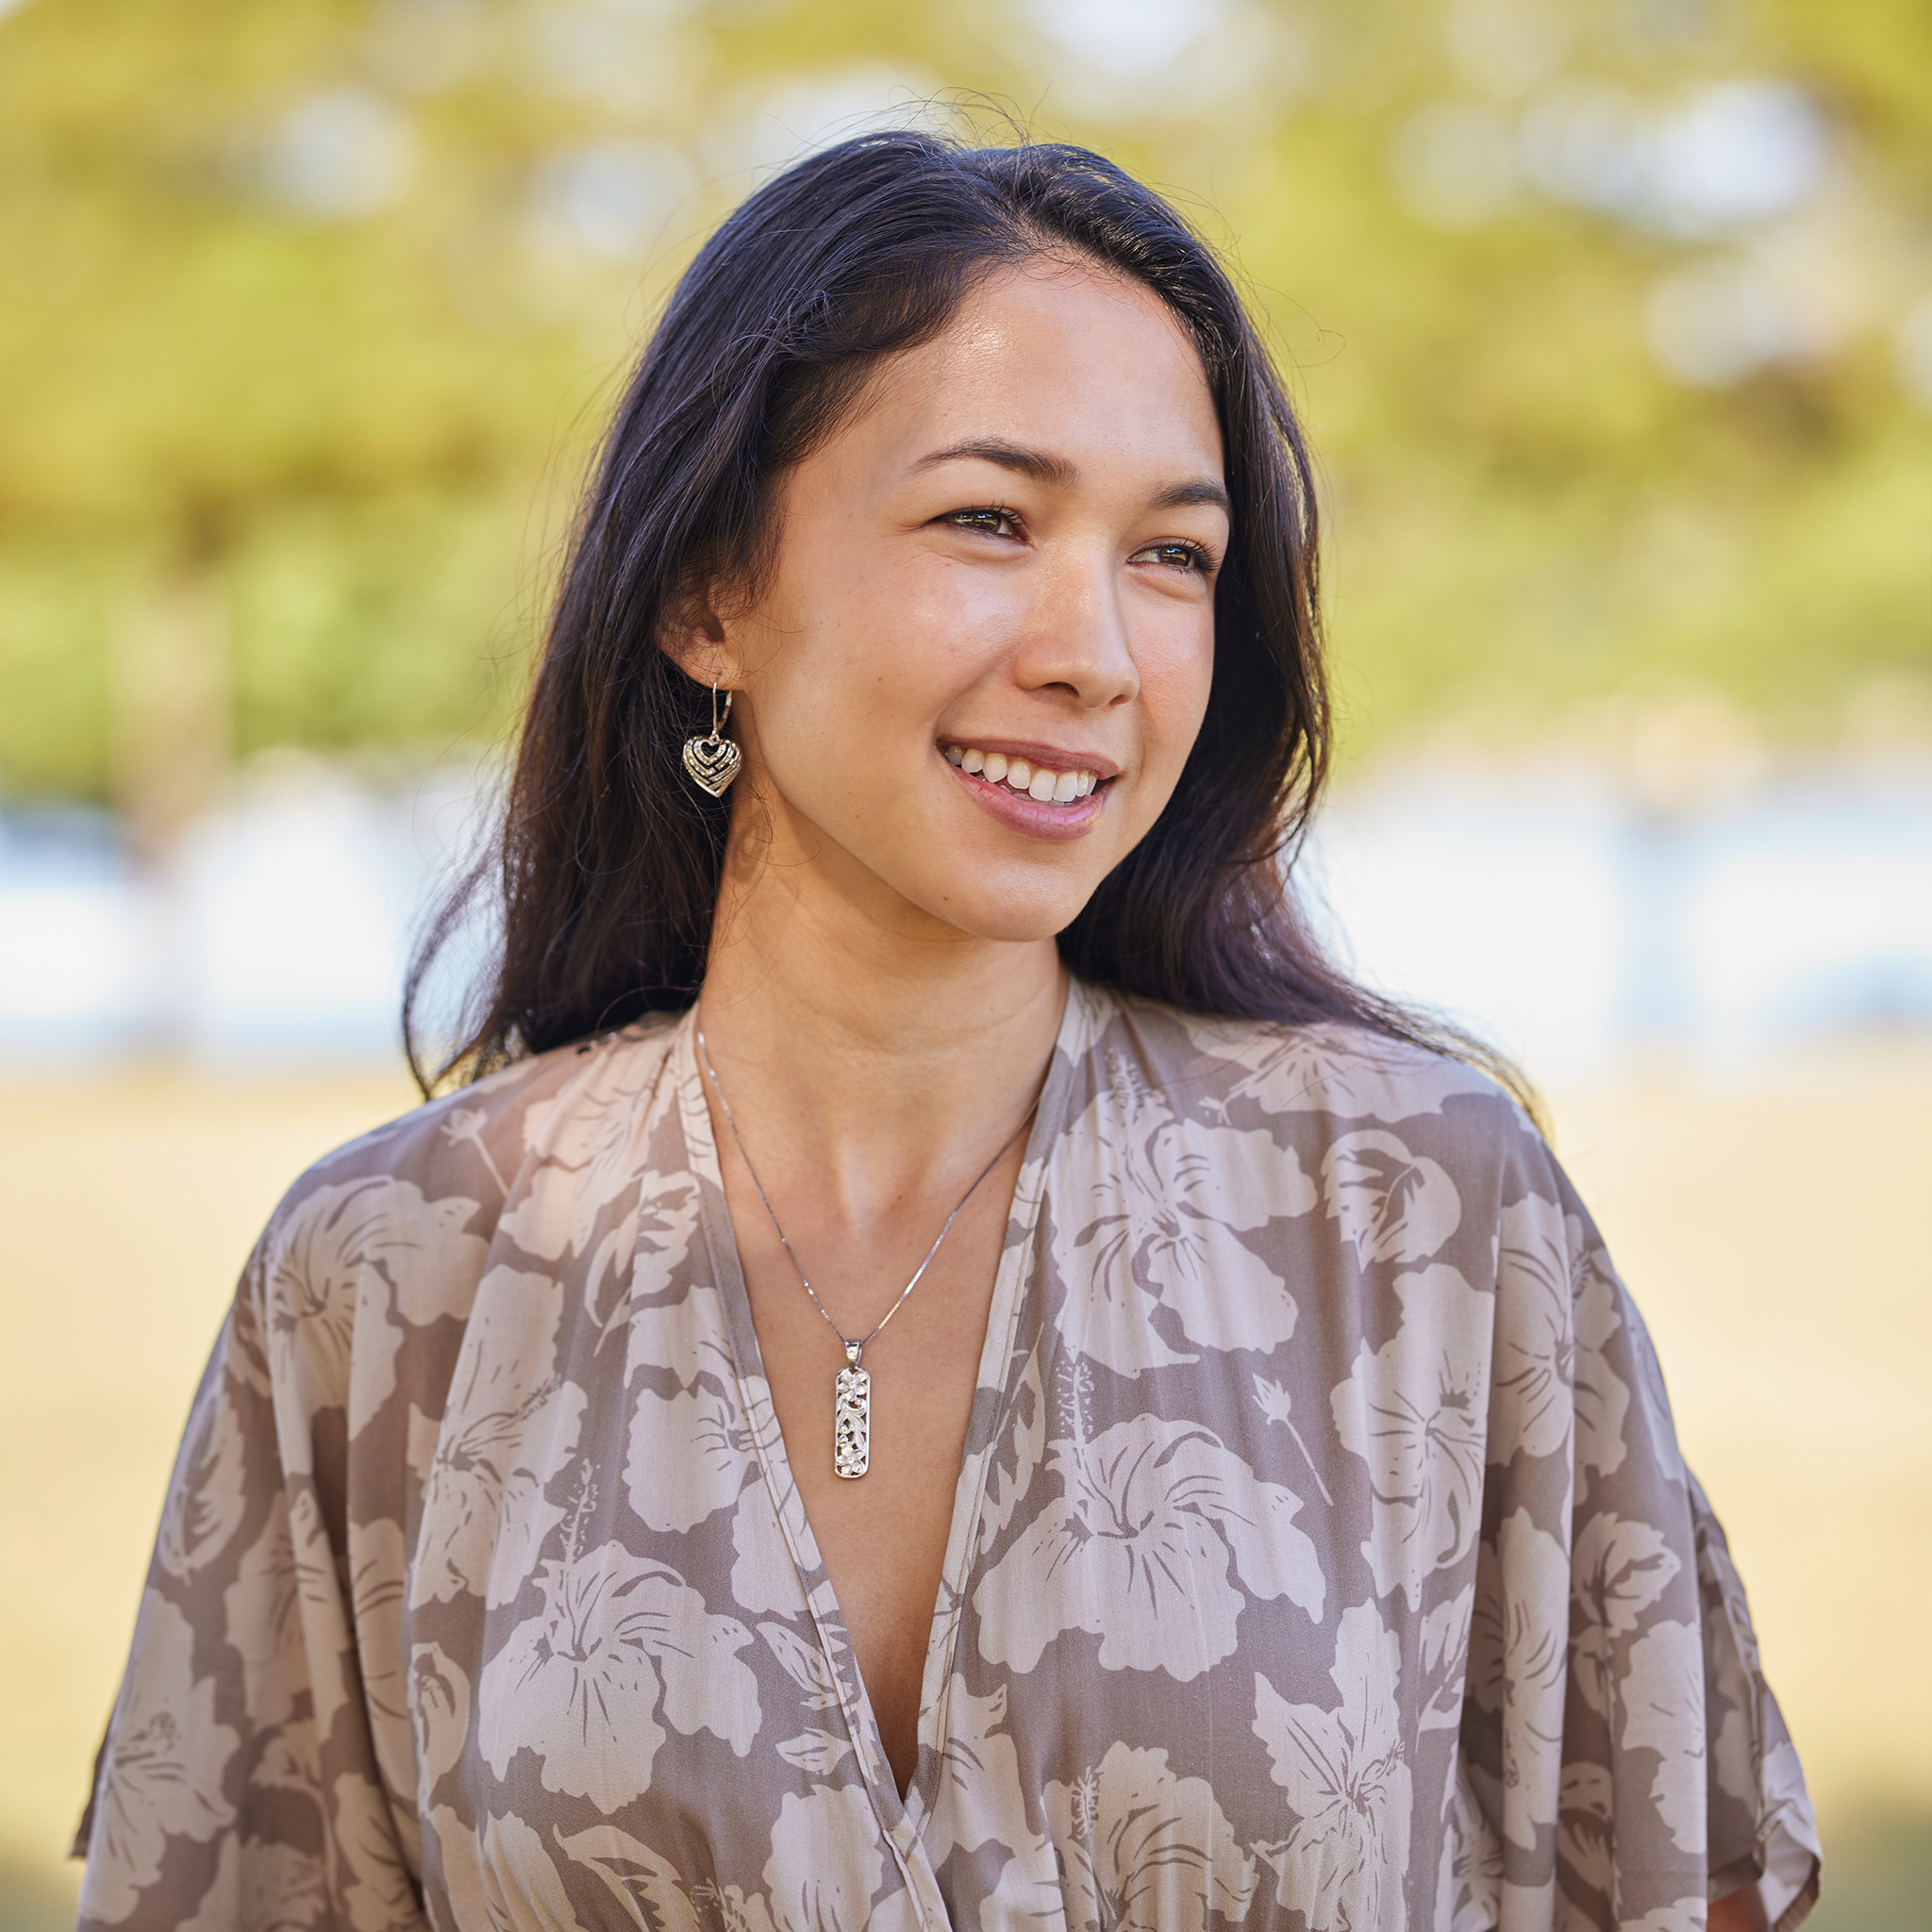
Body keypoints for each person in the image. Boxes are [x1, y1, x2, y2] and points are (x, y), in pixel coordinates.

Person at [74, 134, 1819, 1932]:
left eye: (1172, 554)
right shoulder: (395, 1277)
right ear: (709, 594)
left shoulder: (1419, 1213)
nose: (1098, 653)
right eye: (990, 518)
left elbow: (1680, 1890)